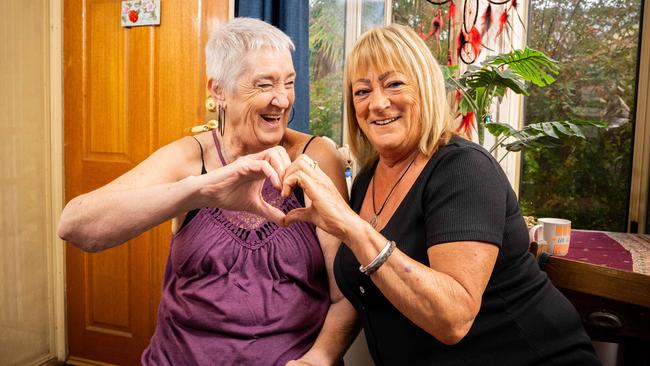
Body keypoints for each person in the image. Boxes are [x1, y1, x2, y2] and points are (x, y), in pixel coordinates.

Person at [281, 24, 602, 365]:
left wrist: (351, 227)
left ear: (425, 88)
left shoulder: (464, 169)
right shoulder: (366, 180)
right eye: (362, 92)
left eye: (394, 84)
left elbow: (452, 320)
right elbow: (366, 292)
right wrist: (316, 358)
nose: (377, 103)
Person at [57, 17, 356, 366]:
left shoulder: (316, 159)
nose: (283, 99)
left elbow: (346, 293)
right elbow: (75, 225)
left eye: (289, 82)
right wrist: (201, 191)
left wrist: (317, 359)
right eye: (264, 84)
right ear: (218, 91)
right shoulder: (188, 158)